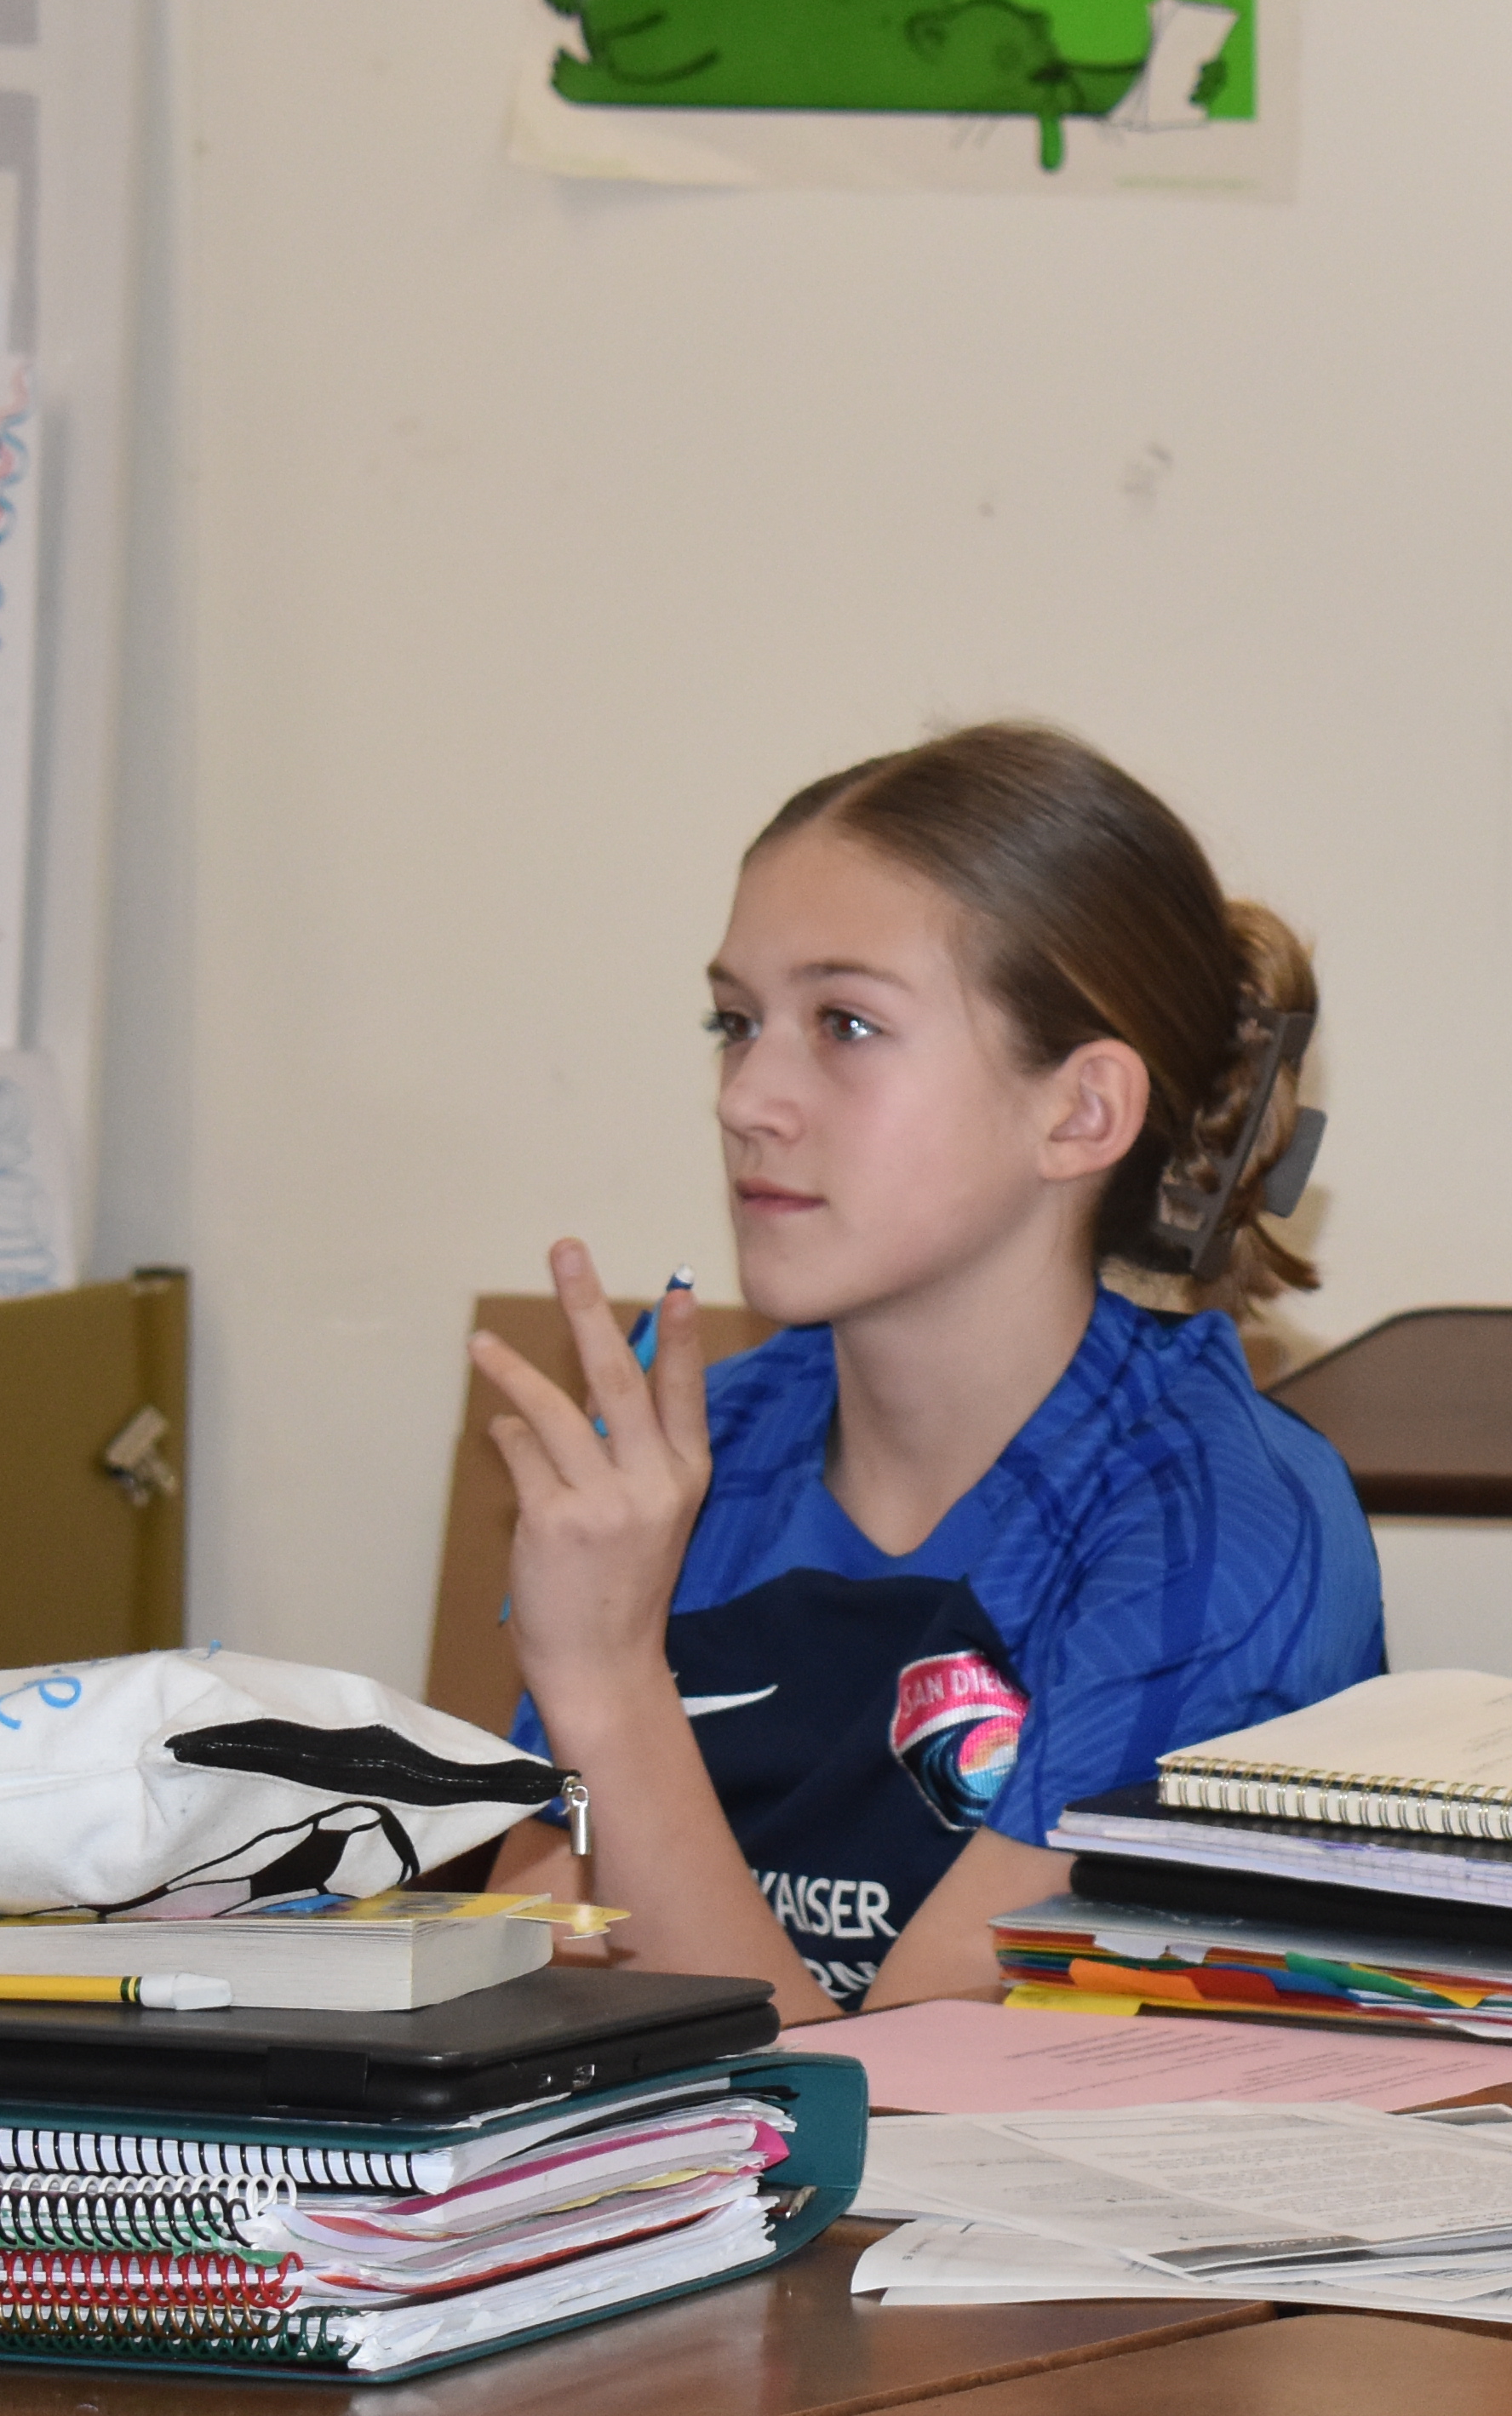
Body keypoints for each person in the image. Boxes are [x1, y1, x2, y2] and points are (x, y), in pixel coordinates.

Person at [470, 722, 1384, 2012]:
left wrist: (610, 1685)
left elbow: (901, 2115)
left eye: (845, 1023)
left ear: (1079, 1112)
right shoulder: (692, 1460)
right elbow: (539, 1975)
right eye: (734, 1021)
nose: (746, 1098)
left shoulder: (1220, 1527)